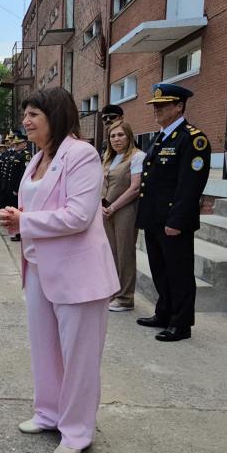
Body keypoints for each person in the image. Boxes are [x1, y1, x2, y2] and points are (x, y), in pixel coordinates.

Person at [0, 87, 118, 453]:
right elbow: (35, 208)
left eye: (34, 114)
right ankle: (48, 413)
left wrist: (26, 220)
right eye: (25, 114)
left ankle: (77, 431)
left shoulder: (81, 155)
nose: (26, 121)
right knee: (44, 348)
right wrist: (17, 223)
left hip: (77, 275)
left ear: (56, 117)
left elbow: (79, 215)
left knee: (79, 358)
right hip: (39, 269)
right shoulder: (38, 160)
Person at [135, 83, 211, 342]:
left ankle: (181, 323)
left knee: (179, 273)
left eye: (163, 105)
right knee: (160, 270)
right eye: (155, 105)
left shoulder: (192, 138)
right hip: (155, 218)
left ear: (179, 106)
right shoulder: (161, 137)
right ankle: (164, 313)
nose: (157, 109)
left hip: (173, 221)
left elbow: (190, 186)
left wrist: (176, 220)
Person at [100, 109, 144, 312]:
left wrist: (114, 207)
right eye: (112, 136)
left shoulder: (137, 157)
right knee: (111, 252)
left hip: (125, 210)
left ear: (129, 136)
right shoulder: (109, 157)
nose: (116, 139)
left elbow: (135, 188)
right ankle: (113, 291)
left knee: (125, 253)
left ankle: (126, 298)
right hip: (106, 210)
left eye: (120, 135)